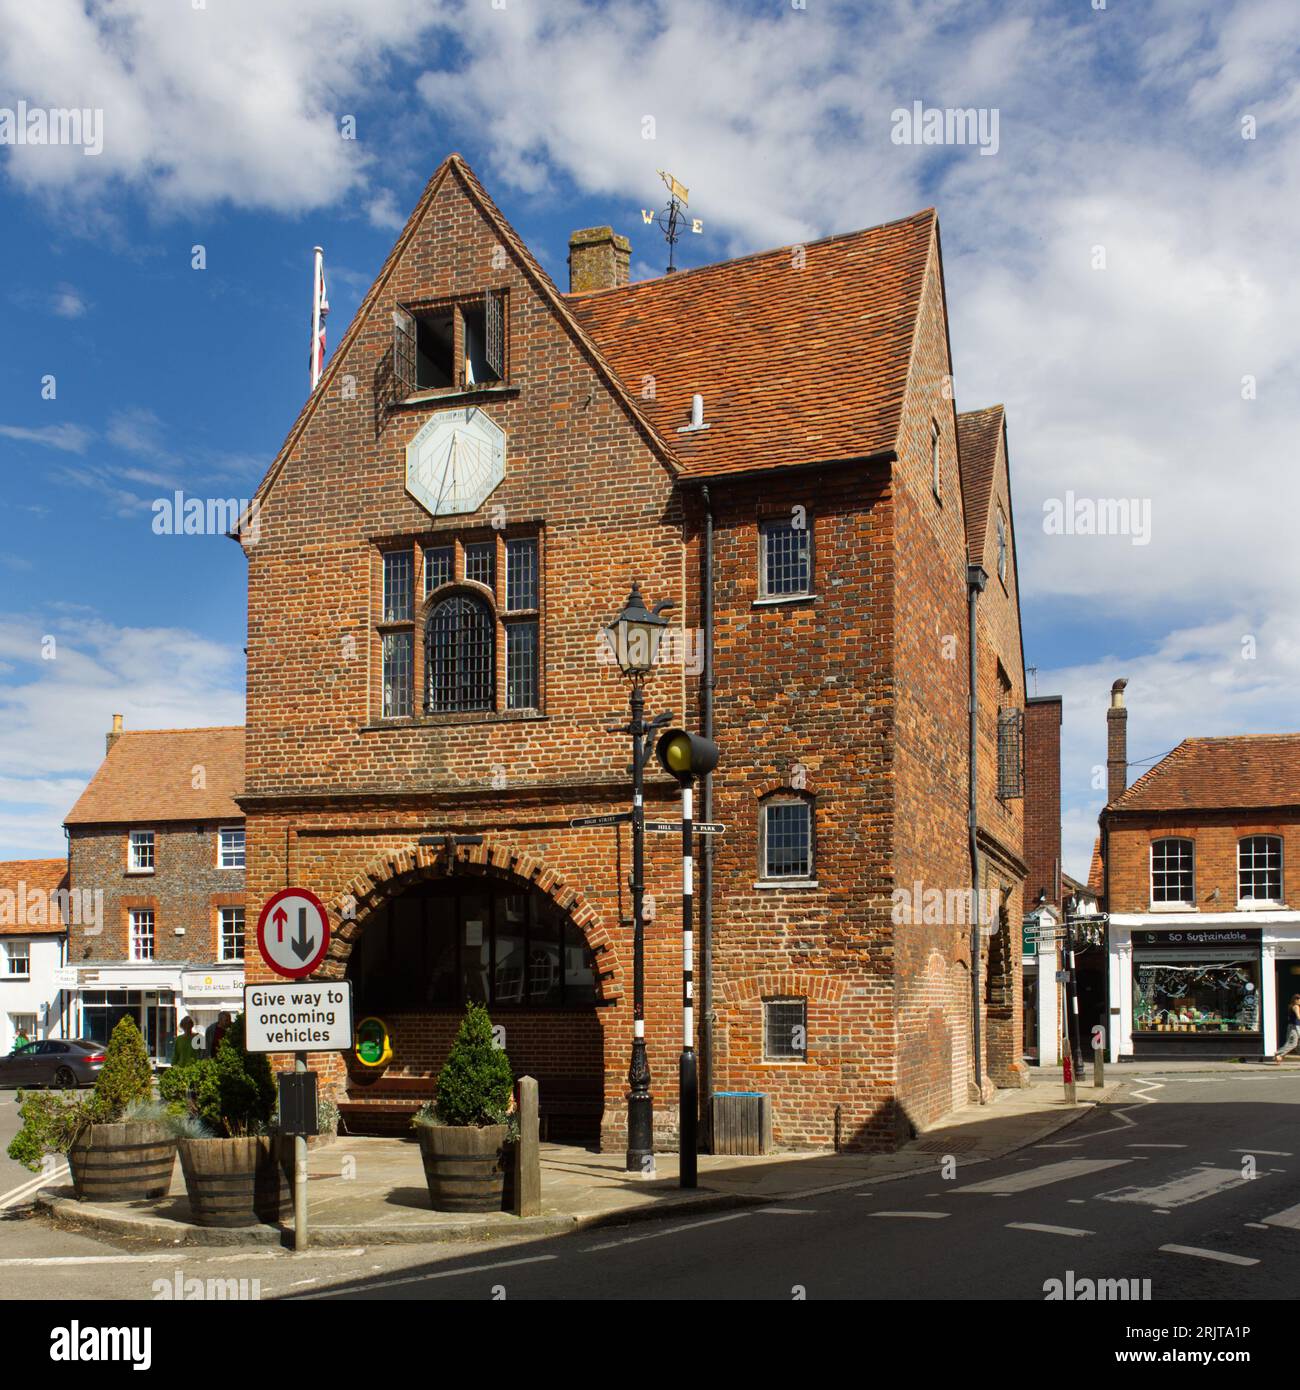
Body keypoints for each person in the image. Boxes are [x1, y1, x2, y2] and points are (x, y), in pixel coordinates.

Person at [1274, 994, 1300, 1063]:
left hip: (1291, 1026)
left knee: (1296, 1044)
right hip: (1295, 1027)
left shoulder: (1290, 1006)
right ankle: (1278, 1054)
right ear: (1296, 1000)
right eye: (1299, 999)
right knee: (1292, 1044)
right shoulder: (1296, 1006)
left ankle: (1279, 1055)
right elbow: (1298, 1017)